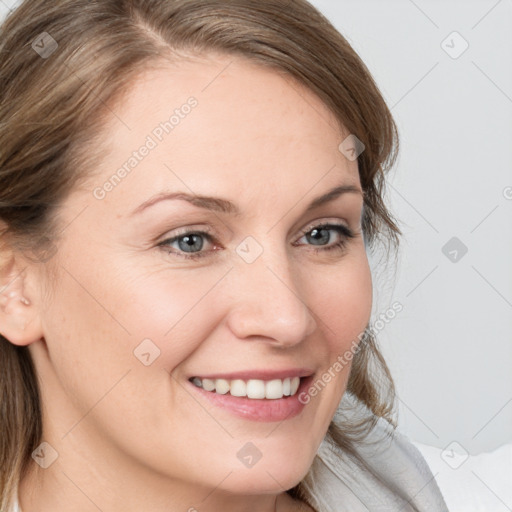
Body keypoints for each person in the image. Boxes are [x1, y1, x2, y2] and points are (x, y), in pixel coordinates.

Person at [0, 1, 449, 511]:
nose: (287, 319)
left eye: (322, 233)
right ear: (13, 282)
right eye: (189, 241)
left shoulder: (395, 480)